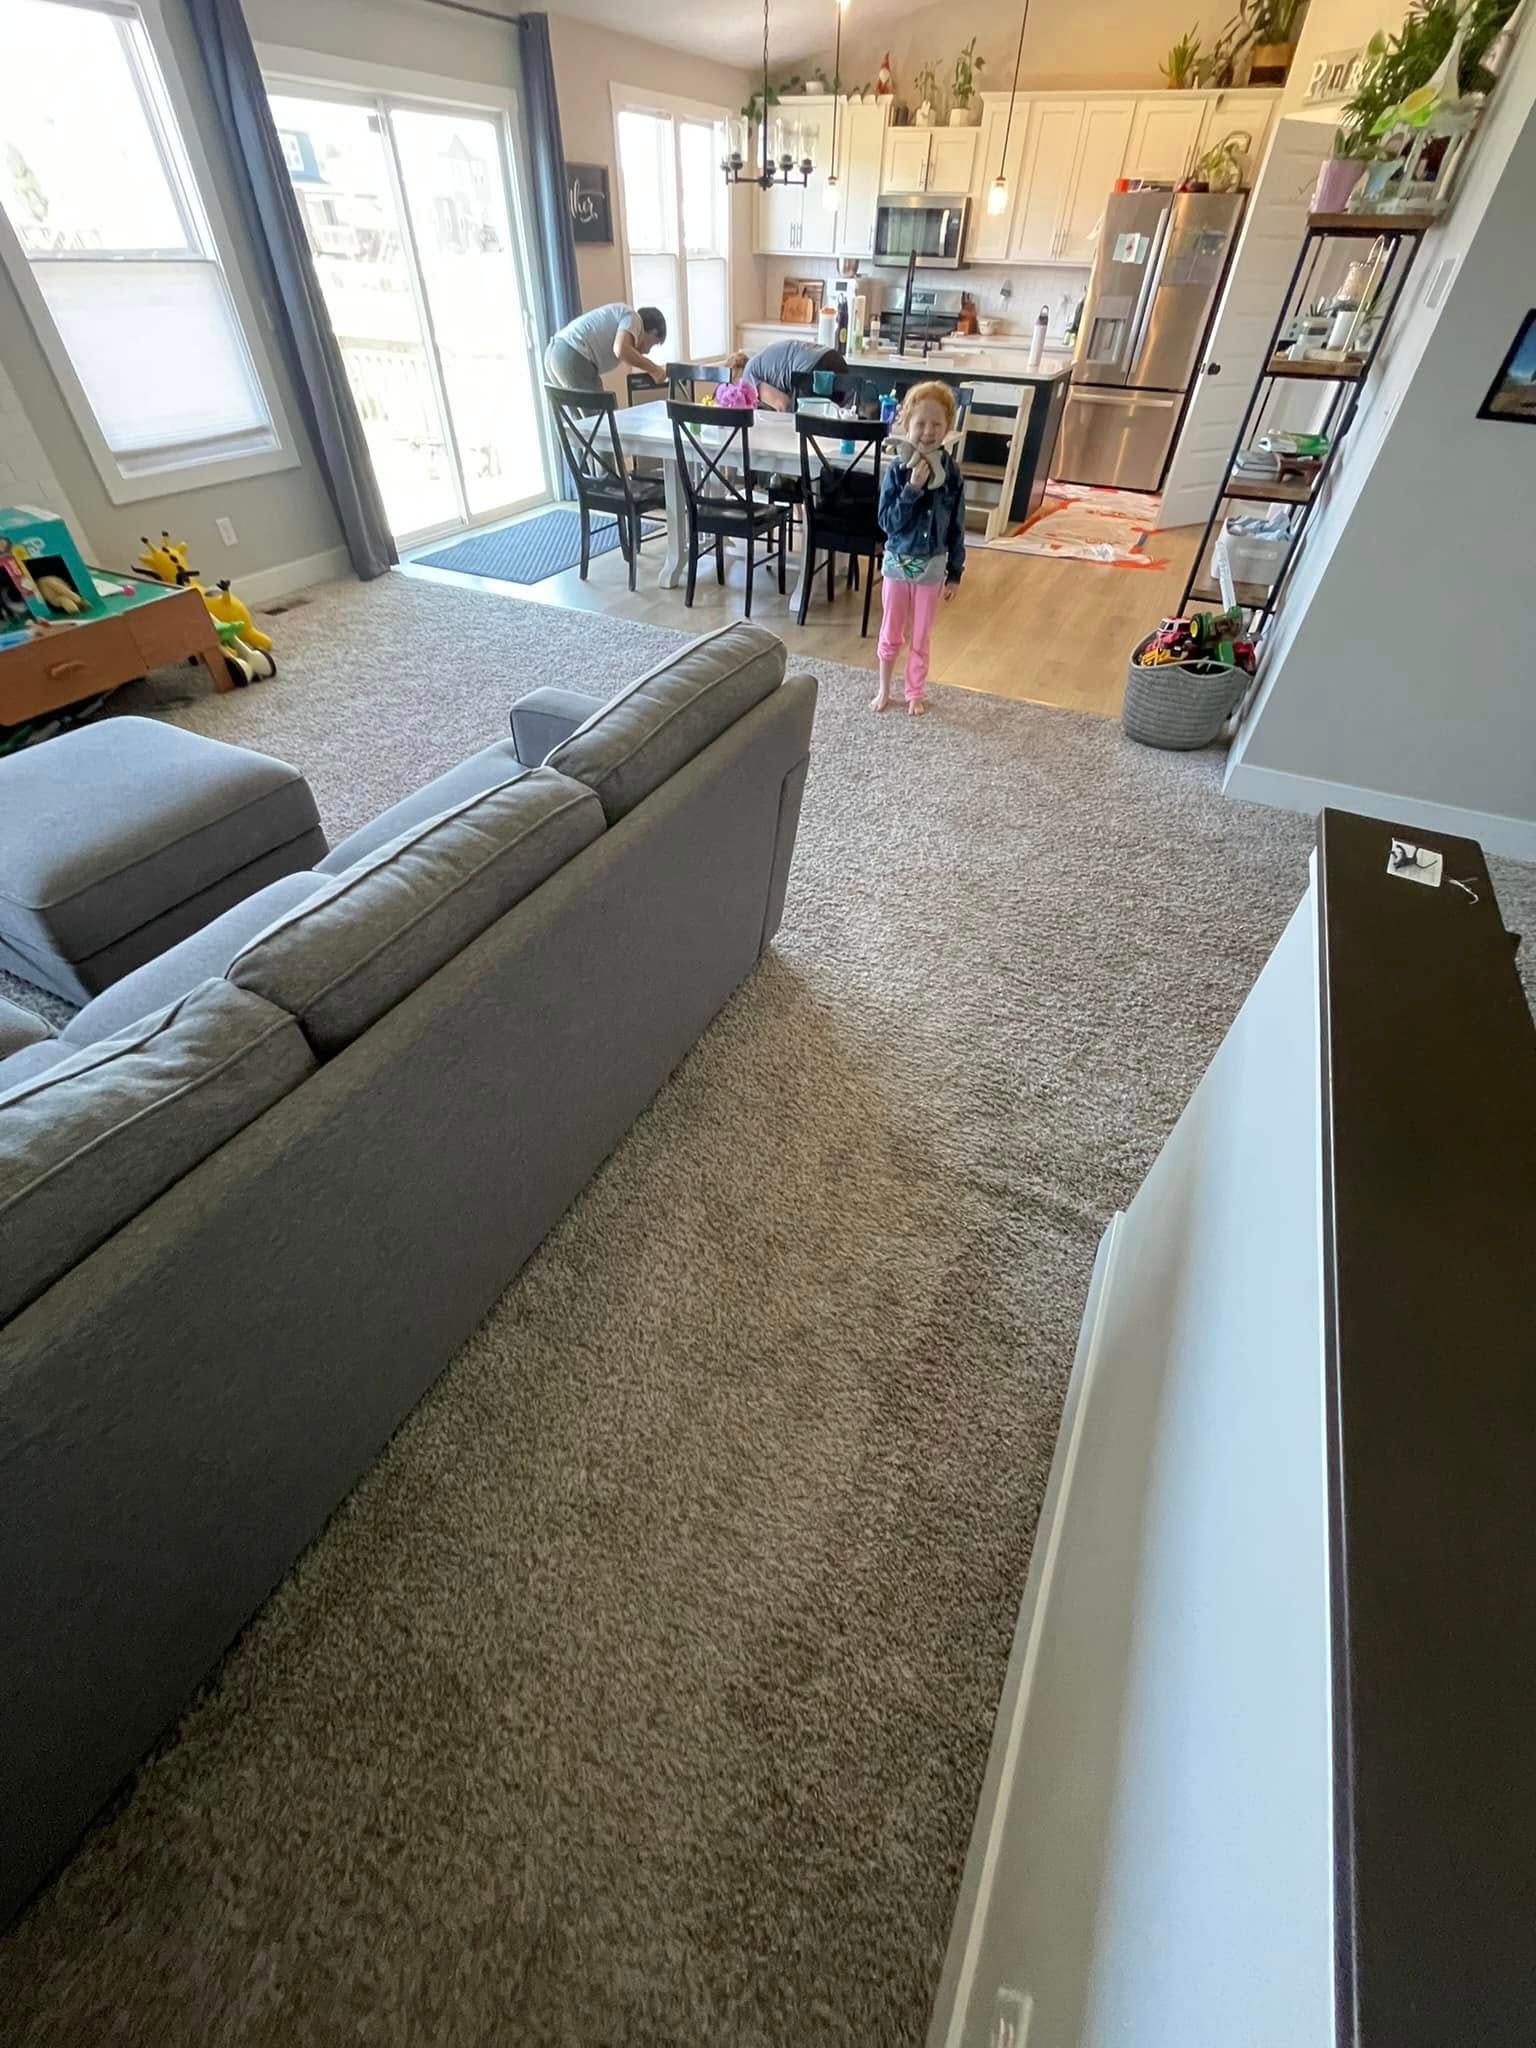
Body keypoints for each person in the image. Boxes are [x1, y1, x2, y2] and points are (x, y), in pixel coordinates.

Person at [872, 382, 965, 718]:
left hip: (932, 569)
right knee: (891, 629)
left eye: (936, 424)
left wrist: (955, 572)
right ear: (906, 425)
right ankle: (884, 687)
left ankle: (915, 692)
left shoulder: (952, 474)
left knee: (921, 635)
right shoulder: (897, 471)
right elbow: (887, 522)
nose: (928, 432)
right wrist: (912, 488)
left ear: (948, 427)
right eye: (920, 424)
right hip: (897, 565)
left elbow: (956, 525)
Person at [543, 303, 667, 395]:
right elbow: (621, 350)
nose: (647, 352)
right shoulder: (634, 318)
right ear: (653, 332)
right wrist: (655, 370)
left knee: (579, 423)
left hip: (555, 353)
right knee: (600, 419)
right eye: (653, 344)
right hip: (573, 353)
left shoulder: (622, 317)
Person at [728, 339, 848, 410]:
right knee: (833, 419)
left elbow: (783, 405)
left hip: (813, 369)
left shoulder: (748, 377)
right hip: (835, 359)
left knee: (810, 428)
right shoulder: (760, 360)